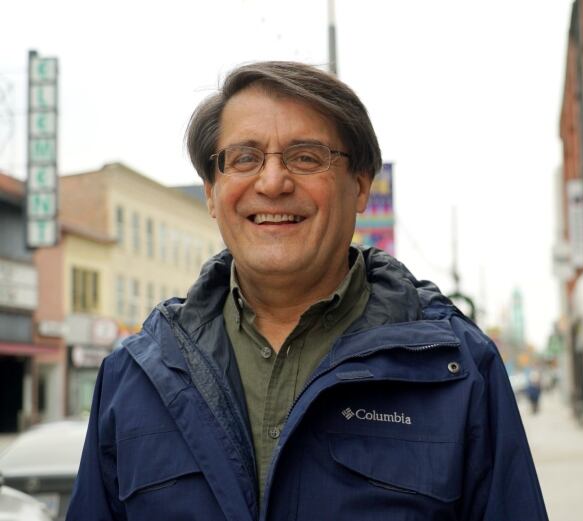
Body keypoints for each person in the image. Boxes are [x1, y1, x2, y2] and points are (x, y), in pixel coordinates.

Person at [67, 61, 548, 520]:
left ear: (360, 187)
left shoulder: (457, 369)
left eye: (306, 157)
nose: (273, 182)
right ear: (212, 193)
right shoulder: (132, 376)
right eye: (244, 158)